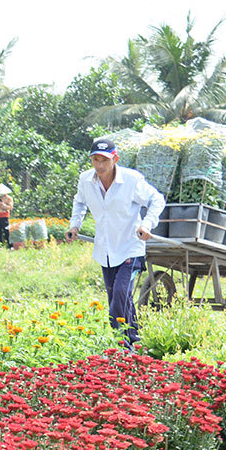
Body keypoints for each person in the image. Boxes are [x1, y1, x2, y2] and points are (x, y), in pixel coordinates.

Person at [66, 138, 166, 347]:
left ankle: (123, 345)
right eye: (95, 159)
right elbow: (79, 202)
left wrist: (147, 224)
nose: (99, 165)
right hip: (105, 249)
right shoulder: (86, 180)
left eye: (104, 160)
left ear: (115, 159)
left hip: (130, 247)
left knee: (121, 294)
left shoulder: (131, 180)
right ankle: (134, 341)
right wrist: (74, 225)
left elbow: (156, 199)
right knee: (117, 297)